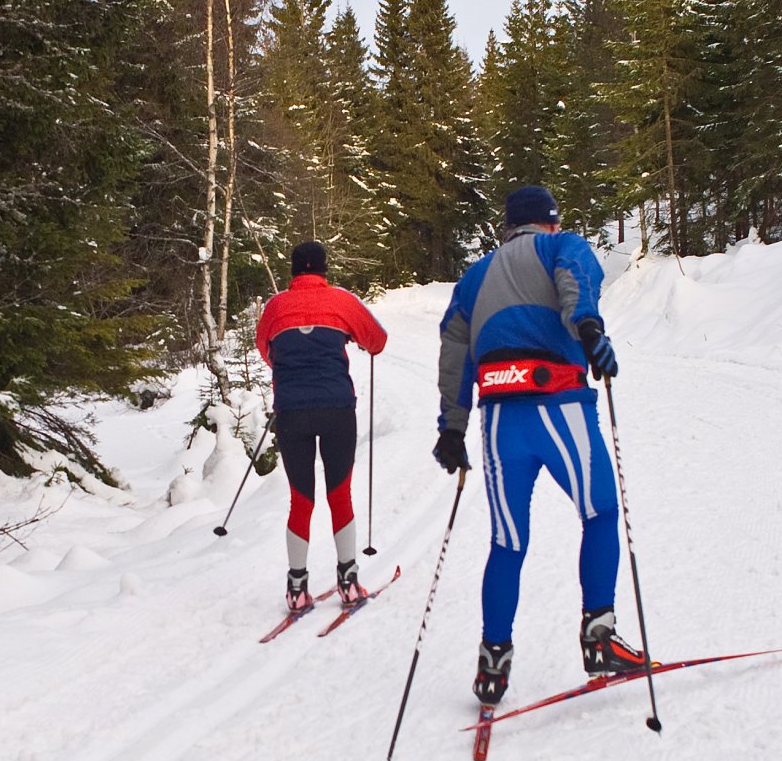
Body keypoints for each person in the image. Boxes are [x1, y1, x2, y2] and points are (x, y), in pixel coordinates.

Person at [433, 185, 646, 706]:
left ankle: (492, 666)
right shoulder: (559, 245)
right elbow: (577, 280)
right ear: (549, 221)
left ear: (508, 227)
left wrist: (451, 428)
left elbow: (455, 352)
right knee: (598, 513)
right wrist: (589, 328)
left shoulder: (473, 278)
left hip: (500, 419)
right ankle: (599, 639)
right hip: (559, 404)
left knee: (507, 543)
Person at [256, 241, 387, 610]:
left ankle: (296, 590)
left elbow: (266, 351)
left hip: (291, 411)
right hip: (336, 408)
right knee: (339, 493)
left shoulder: (275, 306)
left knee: (301, 498)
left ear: (293, 272)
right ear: (324, 270)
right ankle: (348, 582)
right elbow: (377, 341)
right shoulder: (342, 301)